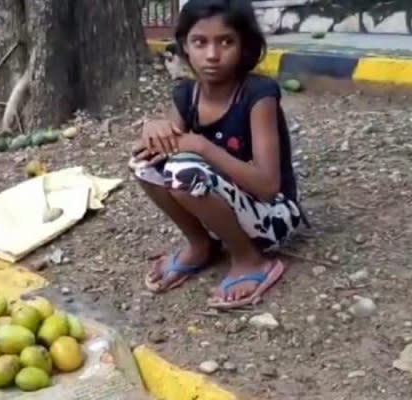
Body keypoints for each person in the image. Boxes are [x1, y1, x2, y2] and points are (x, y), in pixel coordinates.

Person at [129, 0, 306, 309]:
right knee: (145, 161)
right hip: (226, 207)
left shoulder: (257, 94)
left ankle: (250, 260)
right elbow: (165, 147)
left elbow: (267, 187)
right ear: (185, 45)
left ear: (244, 45)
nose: (212, 55)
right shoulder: (186, 94)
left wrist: (202, 146)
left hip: (273, 214)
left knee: (185, 172)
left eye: (226, 42)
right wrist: (153, 128)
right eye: (200, 42)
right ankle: (201, 245)